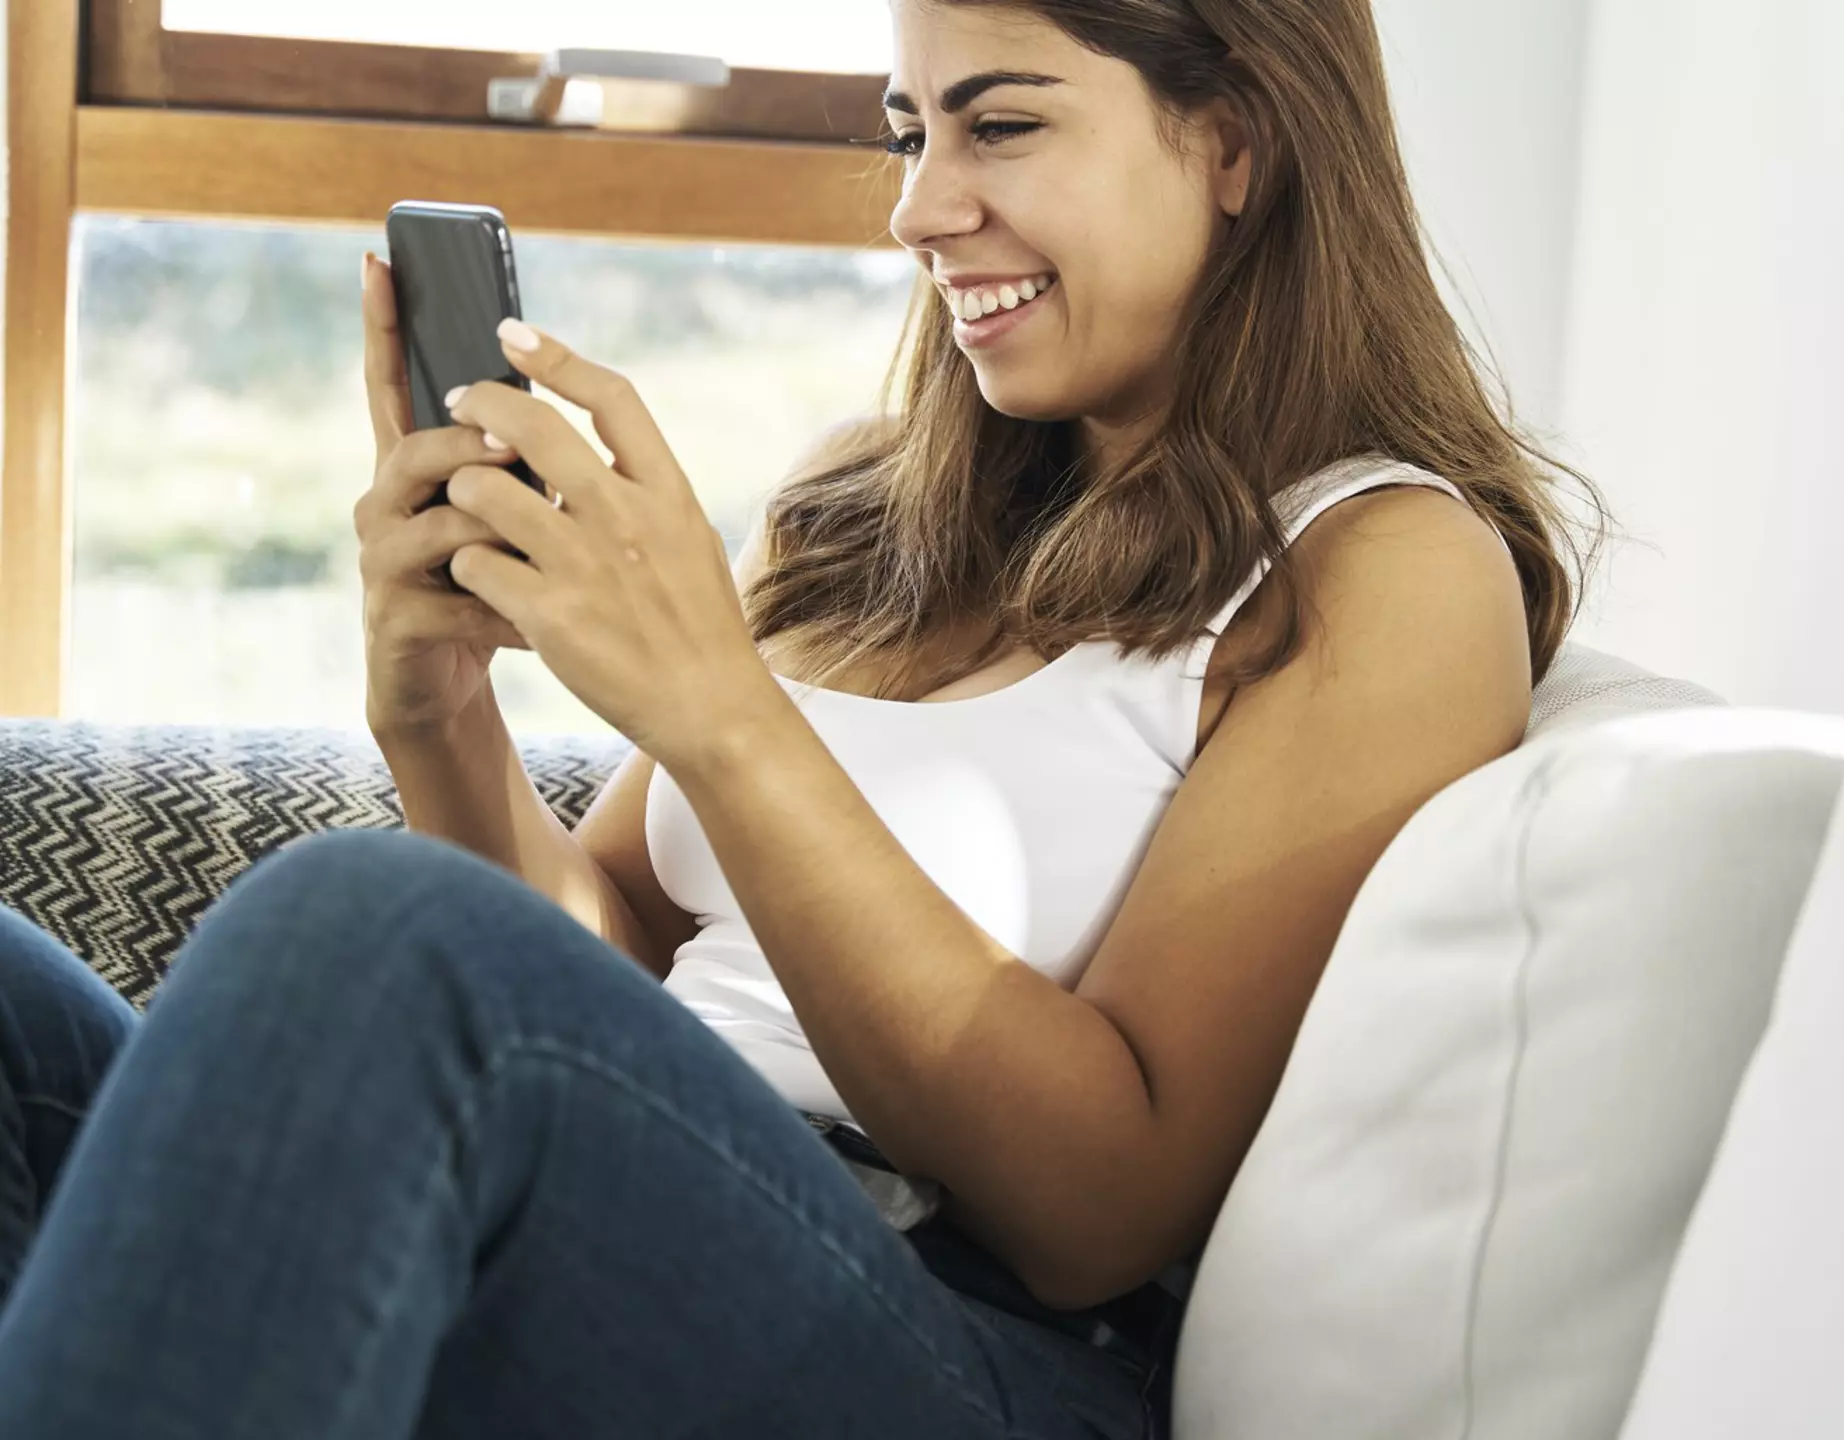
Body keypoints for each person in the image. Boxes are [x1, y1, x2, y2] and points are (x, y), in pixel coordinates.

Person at [0, 1, 1604, 1435]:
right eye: (912, 132)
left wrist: (724, 715)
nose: (920, 206)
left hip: (961, 1332)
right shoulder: (867, 513)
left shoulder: (1380, 566)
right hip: (624, 1205)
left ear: (1237, 137)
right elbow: (604, 955)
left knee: (360, 921)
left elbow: (1099, 1204)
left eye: (1003, 122)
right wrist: (439, 717)